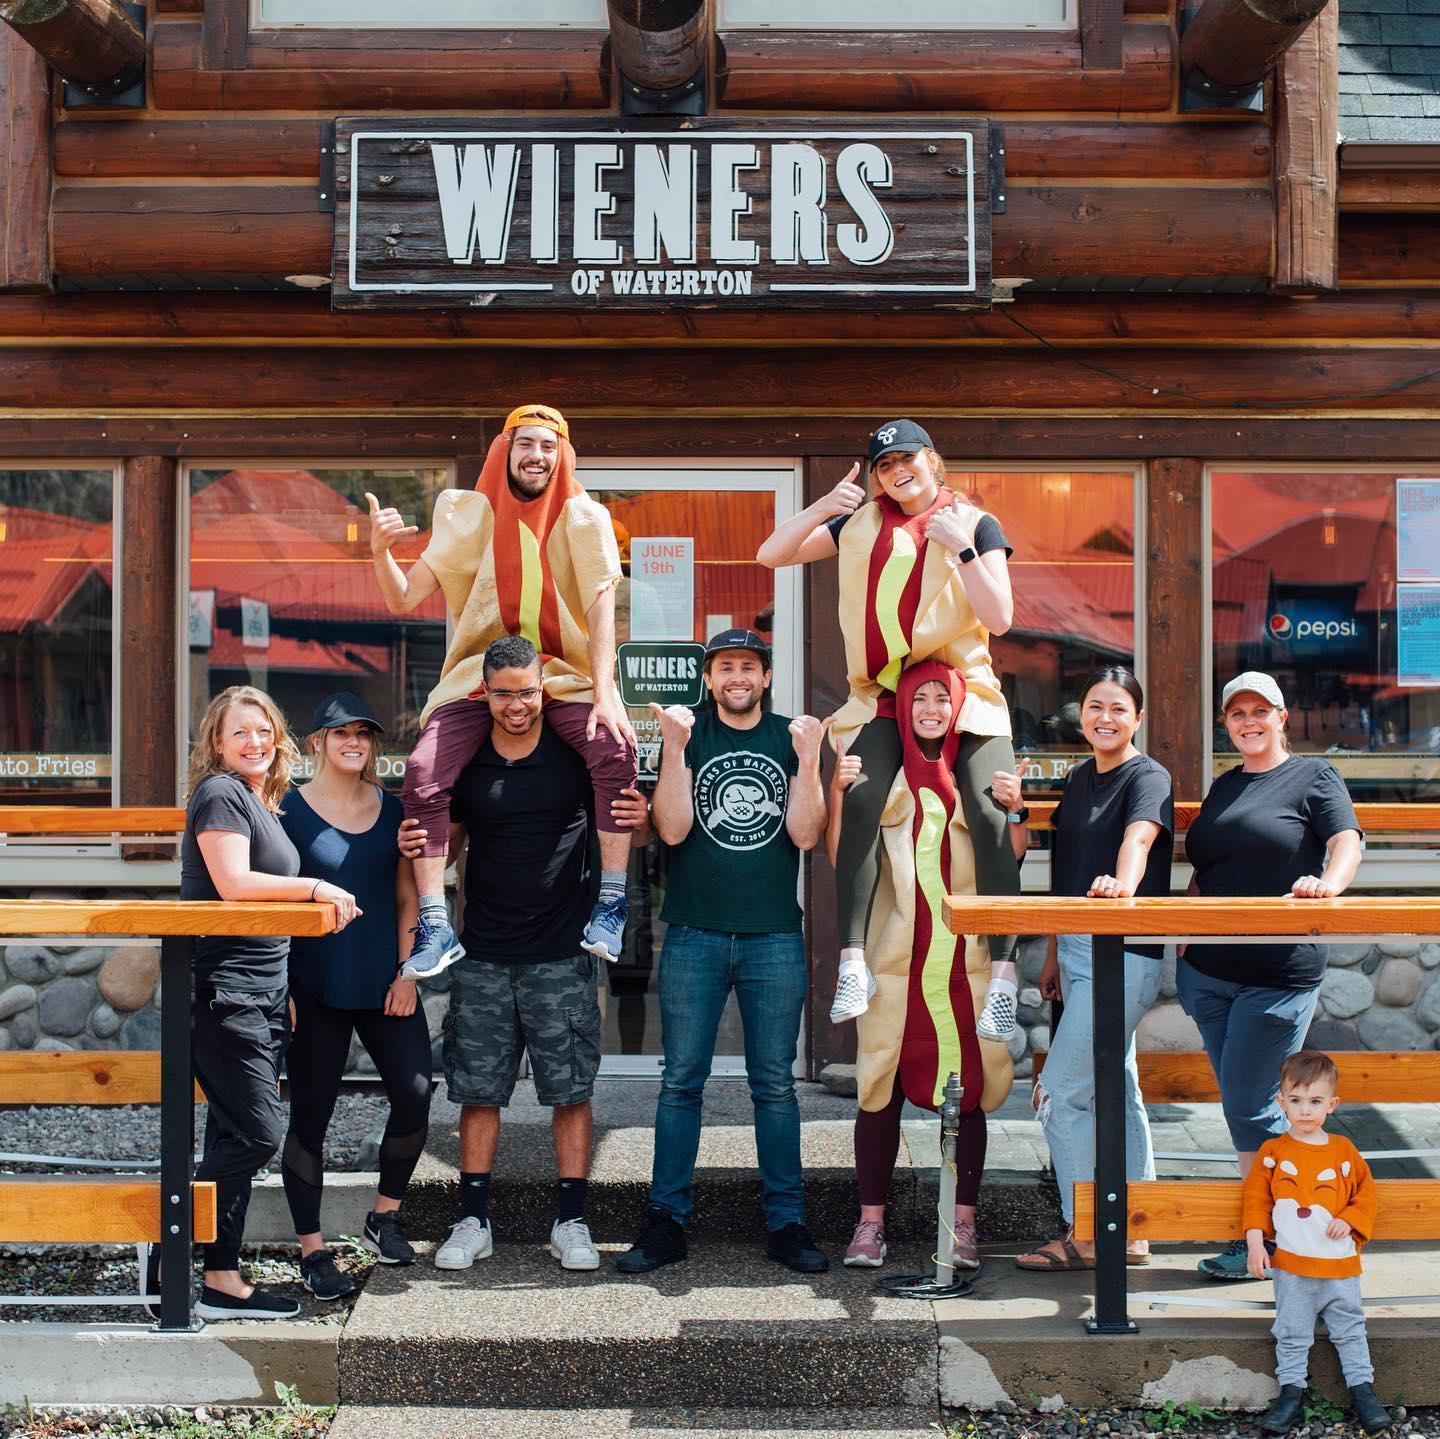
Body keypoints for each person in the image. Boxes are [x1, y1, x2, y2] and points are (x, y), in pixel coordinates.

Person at [756, 420, 1021, 1034]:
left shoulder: (975, 522)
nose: (897, 471)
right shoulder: (860, 523)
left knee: (989, 811)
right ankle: (854, 962)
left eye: (907, 458)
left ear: (932, 460)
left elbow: (1001, 617)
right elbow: (771, 554)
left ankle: (1005, 976)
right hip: (882, 693)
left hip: (962, 689)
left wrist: (962, 548)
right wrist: (823, 506)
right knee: (862, 798)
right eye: (884, 464)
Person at [366, 403, 638, 978]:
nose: (536, 456)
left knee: (614, 747)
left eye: (548, 446)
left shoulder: (585, 517)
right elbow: (401, 598)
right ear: (505, 451)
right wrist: (380, 551)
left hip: (560, 673)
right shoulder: (468, 514)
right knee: (422, 770)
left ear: (562, 456)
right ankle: (435, 923)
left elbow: (601, 606)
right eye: (526, 444)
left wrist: (606, 691)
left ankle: (612, 902)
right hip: (479, 676)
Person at [432, 635, 649, 1273]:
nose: (516, 705)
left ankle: (571, 1222)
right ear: (485, 693)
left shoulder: (572, 752)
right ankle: (473, 1220)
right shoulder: (471, 758)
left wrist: (637, 818)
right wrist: (421, 843)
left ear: (543, 688)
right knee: (478, 1093)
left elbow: (622, 822)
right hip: (483, 951)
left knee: (570, 1091)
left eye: (527, 692)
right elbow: (449, 846)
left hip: (561, 950)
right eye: (503, 694)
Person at [617, 629, 830, 1275]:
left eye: (748, 666)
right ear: (709, 678)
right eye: (725, 667)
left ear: (765, 676)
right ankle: (666, 1222)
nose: (737, 676)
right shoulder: (689, 734)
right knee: (681, 1081)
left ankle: (786, 1223)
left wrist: (810, 761)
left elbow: (806, 833)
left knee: (775, 1086)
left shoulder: (791, 737)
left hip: (774, 936)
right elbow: (673, 828)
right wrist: (674, 748)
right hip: (694, 933)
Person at [178, 684, 358, 1320]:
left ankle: (220, 1279)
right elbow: (232, 885)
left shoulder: (258, 801)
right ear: (217, 742)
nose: (254, 742)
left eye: (263, 731)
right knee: (259, 1134)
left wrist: (283, 991)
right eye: (239, 732)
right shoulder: (220, 793)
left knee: (232, 1132)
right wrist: (313, 886)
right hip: (226, 994)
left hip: (262, 994)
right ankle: (163, 1233)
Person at [831, 662, 1018, 1270]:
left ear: (959, 709)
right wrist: (838, 790)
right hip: (896, 962)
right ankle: (870, 1223)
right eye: (920, 699)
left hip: (965, 962)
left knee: (968, 1094)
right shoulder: (883, 784)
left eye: (943, 699)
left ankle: (962, 1224)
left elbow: (1009, 857)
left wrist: (1015, 812)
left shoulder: (976, 780)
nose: (932, 709)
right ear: (903, 708)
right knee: (878, 1088)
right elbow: (842, 856)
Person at [1181, 672, 1364, 1281]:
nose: (1249, 722)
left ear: (1282, 718)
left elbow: (1346, 842)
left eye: (1261, 711)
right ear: (1226, 724)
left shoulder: (1314, 776)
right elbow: (1207, 868)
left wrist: (1327, 887)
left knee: (1250, 1105)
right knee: (1247, 1106)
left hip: (1278, 973)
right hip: (1208, 973)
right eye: (1237, 713)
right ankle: (1287, 1230)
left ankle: (1266, 1238)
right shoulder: (1225, 785)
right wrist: (1185, 942)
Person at [1011, 667, 1173, 1271]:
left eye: (1119, 708)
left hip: (1123, 950)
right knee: (1118, 1088)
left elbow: (1139, 840)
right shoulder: (1079, 778)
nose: (1106, 718)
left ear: (1138, 718)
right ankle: (1135, 1230)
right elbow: (1067, 872)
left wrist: (1122, 886)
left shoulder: (1149, 776)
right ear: (1080, 715)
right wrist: (1056, 951)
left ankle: (1085, 1233)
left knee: (1057, 1093)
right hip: (1077, 949)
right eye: (1095, 707)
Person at [278, 693, 433, 1300]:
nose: (353, 742)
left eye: (363, 734)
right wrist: (282, 987)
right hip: (312, 986)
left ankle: (384, 1216)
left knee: (416, 1094)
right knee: (310, 1118)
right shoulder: (285, 810)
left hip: (383, 981)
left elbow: (407, 897)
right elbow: (269, 901)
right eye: (341, 732)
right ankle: (312, 1251)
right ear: (317, 741)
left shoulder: (395, 811)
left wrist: (408, 974)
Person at [1244, 1050, 1390, 1436]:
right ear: (1282, 1102)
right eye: (1296, 1100)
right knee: (1291, 1332)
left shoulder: (1343, 1151)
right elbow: (1256, 1201)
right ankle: (1291, 1395)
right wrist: (1256, 1243)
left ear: (1332, 1104)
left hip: (1340, 1267)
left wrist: (1350, 1219)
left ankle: (1363, 1393)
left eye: (1315, 1101)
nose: (1305, 1110)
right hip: (1293, 1267)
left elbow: (1366, 1194)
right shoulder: (1273, 1152)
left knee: (1350, 1329)